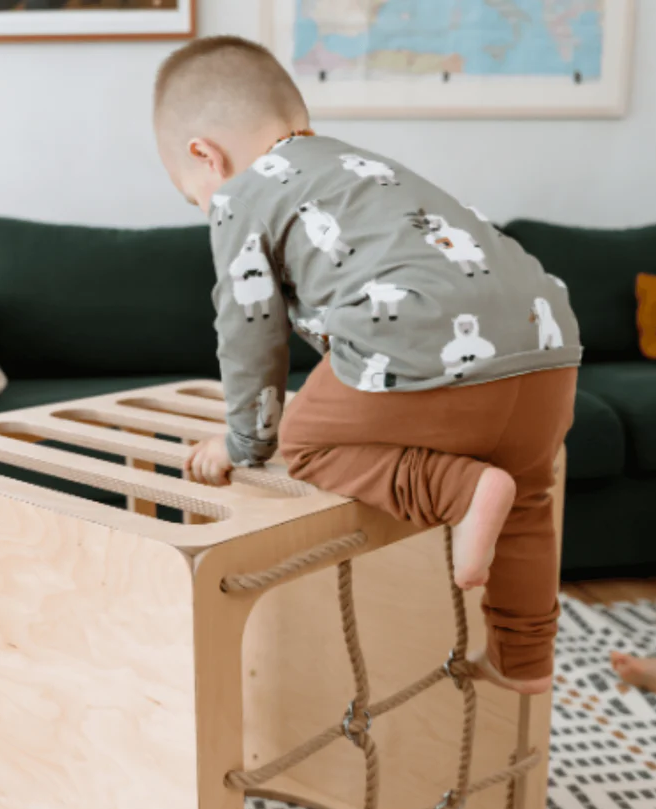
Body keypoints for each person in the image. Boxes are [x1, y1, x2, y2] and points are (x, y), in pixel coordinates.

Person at [153, 36, 581, 695]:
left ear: (204, 155)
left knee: (306, 440)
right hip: (549, 341)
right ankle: (524, 660)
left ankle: (462, 491)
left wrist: (242, 441)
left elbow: (249, 330)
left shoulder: (243, 194)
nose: (206, 207)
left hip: (425, 341)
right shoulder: (356, 168)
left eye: (194, 196)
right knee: (528, 492)